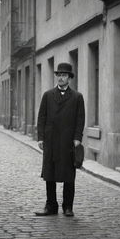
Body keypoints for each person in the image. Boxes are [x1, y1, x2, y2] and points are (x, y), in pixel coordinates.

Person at [35, 62, 85, 217]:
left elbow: (80, 119)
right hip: (51, 141)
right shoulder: (48, 95)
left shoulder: (77, 97)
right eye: (59, 75)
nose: (61, 78)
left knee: (69, 176)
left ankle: (68, 207)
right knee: (50, 174)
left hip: (68, 142)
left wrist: (77, 138)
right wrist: (41, 137)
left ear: (69, 78)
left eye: (64, 75)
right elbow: (41, 117)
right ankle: (51, 206)